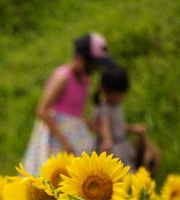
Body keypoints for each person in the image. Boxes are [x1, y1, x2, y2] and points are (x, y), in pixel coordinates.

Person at [22, 33, 117, 175]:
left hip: (76, 135)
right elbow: (42, 110)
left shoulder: (85, 81)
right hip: (55, 138)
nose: (94, 69)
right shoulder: (63, 78)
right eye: (93, 65)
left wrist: (97, 129)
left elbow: (78, 113)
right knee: (52, 176)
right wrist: (64, 142)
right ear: (80, 58)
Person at [93, 67, 147, 173]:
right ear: (105, 89)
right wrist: (107, 141)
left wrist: (133, 128)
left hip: (123, 145)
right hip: (113, 150)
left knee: (129, 172)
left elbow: (119, 125)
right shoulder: (104, 109)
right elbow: (104, 126)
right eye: (116, 93)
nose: (120, 97)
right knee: (120, 176)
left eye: (122, 93)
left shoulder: (117, 105)